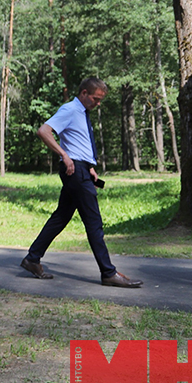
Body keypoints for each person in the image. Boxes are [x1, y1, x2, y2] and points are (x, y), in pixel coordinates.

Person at [20, 77, 143, 288]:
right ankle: (108, 273)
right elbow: (43, 131)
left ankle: (32, 259)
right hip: (74, 171)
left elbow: (78, 142)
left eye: (100, 100)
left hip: (81, 170)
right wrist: (64, 155)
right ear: (84, 93)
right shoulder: (70, 109)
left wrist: (90, 167)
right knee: (94, 222)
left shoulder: (82, 113)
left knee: (61, 217)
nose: (98, 103)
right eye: (95, 99)